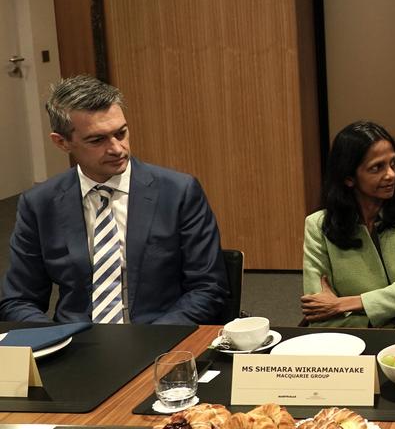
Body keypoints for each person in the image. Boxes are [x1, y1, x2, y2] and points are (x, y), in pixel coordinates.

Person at [0, 76, 228, 324]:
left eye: (121, 133)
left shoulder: (178, 192)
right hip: (77, 345)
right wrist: (58, 341)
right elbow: (18, 299)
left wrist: (154, 342)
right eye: (97, 140)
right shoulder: (39, 203)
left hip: (159, 338)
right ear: (62, 142)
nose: (118, 149)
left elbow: (208, 288)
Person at [300, 121, 395, 329]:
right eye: (377, 167)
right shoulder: (317, 226)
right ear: (349, 178)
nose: (391, 175)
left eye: (393, 164)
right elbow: (318, 306)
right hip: (356, 334)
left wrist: (344, 303)